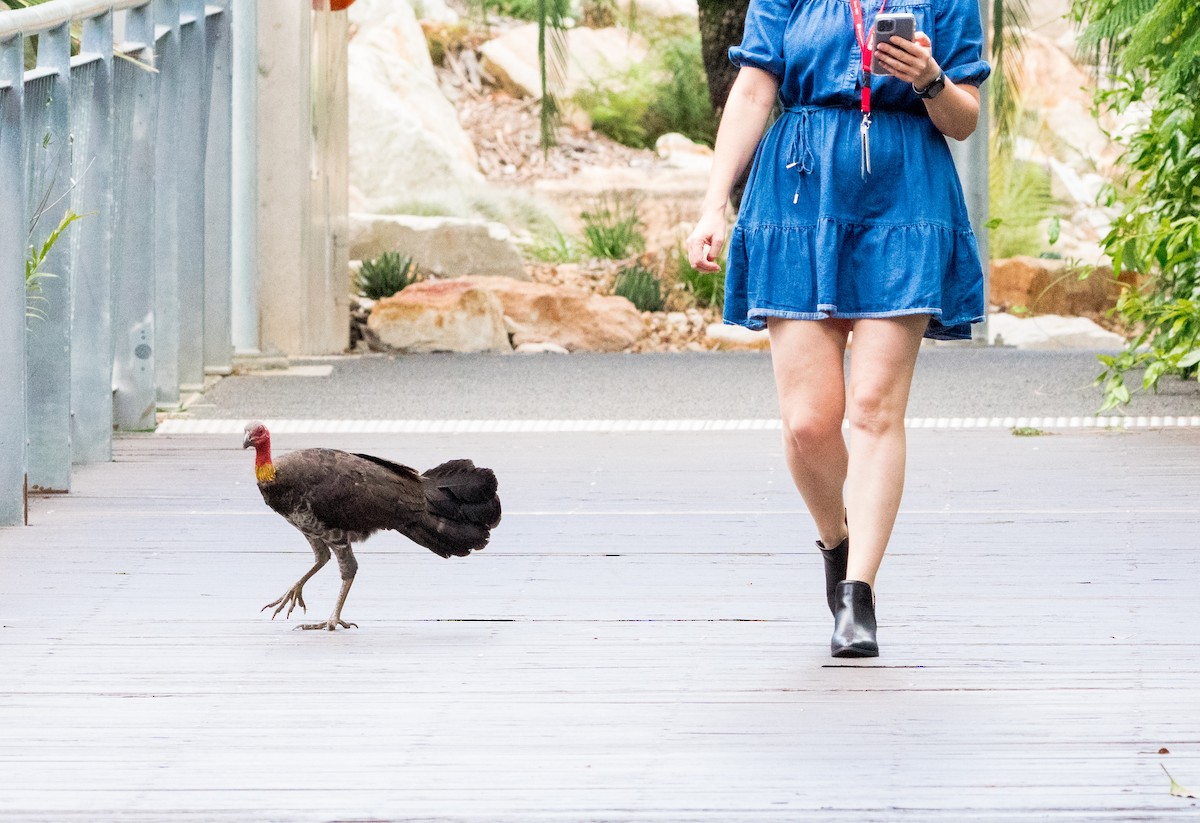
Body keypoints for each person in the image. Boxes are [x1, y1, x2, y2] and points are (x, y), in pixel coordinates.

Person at [686, 0, 990, 658]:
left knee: (876, 407)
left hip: (905, 196)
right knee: (808, 421)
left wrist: (929, 78)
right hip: (799, 193)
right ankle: (837, 538)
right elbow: (754, 86)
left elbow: (963, 117)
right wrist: (714, 199)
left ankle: (858, 594)